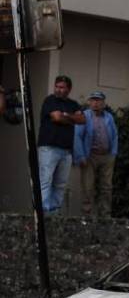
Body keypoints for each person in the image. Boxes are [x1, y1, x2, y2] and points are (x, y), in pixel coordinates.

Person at [37, 75, 85, 215]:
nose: (58, 90)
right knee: (45, 180)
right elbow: (56, 117)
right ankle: (43, 214)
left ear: (68, 89)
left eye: (62, 87)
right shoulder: (50, 100)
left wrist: (66, 116)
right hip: (49, 147)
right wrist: (71, 118)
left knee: (60, 183)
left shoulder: (73, 103)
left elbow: (82, 119)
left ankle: (54, 213)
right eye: (56, 86)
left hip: (66, 150)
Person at [70, 91, 118, 218]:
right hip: (89, 156)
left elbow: (114, 136)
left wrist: (113, 153)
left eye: (98, 100)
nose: (96, 103)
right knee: (88, 187)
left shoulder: (109, 117)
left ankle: (105, 216)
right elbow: (77, 136)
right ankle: (86, 217)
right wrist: (81, 156)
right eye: (93, 100)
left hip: (107, 156)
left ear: (103, 103)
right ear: (89, 102)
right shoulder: (84, 116)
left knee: (106, 187)